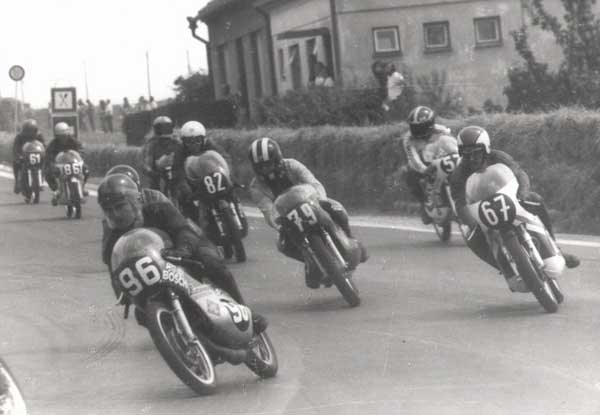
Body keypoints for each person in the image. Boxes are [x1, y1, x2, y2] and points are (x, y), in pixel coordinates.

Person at [97, 173, 267, 333]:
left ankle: (246, 313)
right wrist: (122, 293)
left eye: (120, 206)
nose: (115, 214)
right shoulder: (111, 230)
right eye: (109, 210)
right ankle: (180, 336)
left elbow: (181, 229)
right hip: (155, 263)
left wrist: (183, 250)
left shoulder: (156, 204)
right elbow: (113, 264)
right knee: (142, 314)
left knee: (212, 264)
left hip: (184, 245)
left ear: (134, 201)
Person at [449, 125, 580, 275]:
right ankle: (501, 266)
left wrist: (522, 194)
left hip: (510, 198)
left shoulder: (499, 157)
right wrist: (472, 222)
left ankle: (556, 248)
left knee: (535, 199)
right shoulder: (458, 175)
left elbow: (520, 174)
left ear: (485, 149)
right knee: (471, 237)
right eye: (466, 155)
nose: (472, 159)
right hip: (482, 212)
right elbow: (459, 204)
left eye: (476, 153)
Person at [248, 137, 368, 288]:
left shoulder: (292, 165)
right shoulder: (256, 186)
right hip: (287, 219)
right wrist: (278, 224)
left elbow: (313, 182)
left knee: (337, 209)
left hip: (312, 203)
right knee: (282, 244)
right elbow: (268, 210)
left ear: (277, 158)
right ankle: (310, 261)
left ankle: (351, 240)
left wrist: (321, 200)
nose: (266, 169)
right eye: (261, 167)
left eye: (268, 164)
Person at [402, 106, 458, 224]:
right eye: (414, 127)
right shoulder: (408, 139)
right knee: (409, 174)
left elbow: (453, 143)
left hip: (439, 157)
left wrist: (457, 156)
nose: (417, 131)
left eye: (420, 127)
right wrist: (424, 169)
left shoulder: (441, 130)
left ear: (430, 124)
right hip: (421, 163)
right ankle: (423, 202)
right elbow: (413, 158)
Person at [178, 120, 235, 226]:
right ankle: (195, 227)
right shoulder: (180, 152)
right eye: (189, 141)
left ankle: (235, 205)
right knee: (184, 200)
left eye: (197, 140)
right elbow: (178, 172)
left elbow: (225, 157)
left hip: (214, 175)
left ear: (203, 139)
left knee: (232, 188)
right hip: (195, 180)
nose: (193, 144)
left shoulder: (211, 144)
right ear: (183, 142)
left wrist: (228, 175)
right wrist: (187, 190)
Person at [44, 122, 89, 205]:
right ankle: (56, 190)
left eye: (65, 135)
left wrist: (81, 158)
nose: (63, 138)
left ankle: (82, 187)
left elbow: (81, 150)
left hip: (73, 162)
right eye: (60, 136)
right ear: (57, 136)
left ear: (68, 134)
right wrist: (51, 163)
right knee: (47, 172)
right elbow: (48, 155)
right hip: (59, 164)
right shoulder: (53, 144)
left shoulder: (73, 141)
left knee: (86, 169)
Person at [141, 115, 185, 191]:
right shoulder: (150, 145)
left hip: (177, 179)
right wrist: (154, 174)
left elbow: (184, 161)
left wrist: (176, 173)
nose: (164, 131)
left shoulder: (178, 143)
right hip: (158, 180)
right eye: (160, 128)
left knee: (186, 192)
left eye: (166, 128)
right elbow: (145, 165)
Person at [12, 119, 45, 194]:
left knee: (44, 164)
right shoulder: (19, 136)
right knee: (15, 163)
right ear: (24, 130)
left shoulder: (39, 135)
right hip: (25, 156)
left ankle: (41, 179)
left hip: (37, 156)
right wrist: (18, 156)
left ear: (35, 130)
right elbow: (15, 148)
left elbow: (44, 145)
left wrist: (45, 154)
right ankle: (17, 180)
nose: (30, 133)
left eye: (32, 130)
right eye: (27, 131)